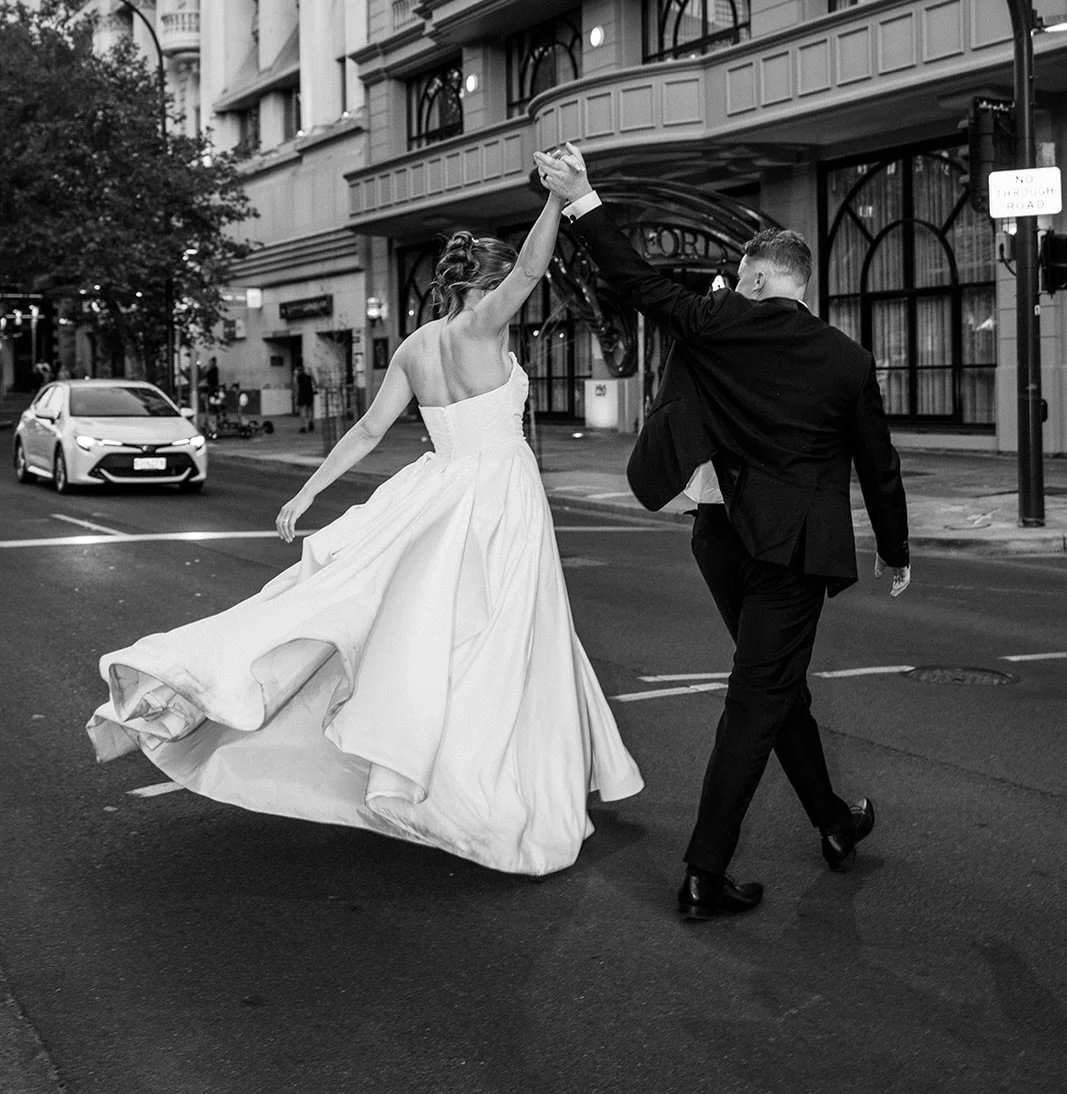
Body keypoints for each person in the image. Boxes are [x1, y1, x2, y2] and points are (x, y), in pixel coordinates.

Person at [86, 194, 643, 877]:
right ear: (486, 286)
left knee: (430, 628)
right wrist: (560, 197)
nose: (514, 300)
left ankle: (426, 762)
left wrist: (310, 489)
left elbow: (369, 431)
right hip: (497, 497)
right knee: (501, 638)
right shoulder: (481, 325)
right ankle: (486, 790)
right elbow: (531, 268)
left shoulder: (413, 347)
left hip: (439, 488)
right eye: (505, 289)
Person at [534, 143, 910, 920]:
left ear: (767, 276)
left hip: (719, 537)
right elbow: (879, 465)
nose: (733, 285)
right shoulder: (846, 359)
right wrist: (894, 547)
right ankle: (705, 871)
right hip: (794, 548)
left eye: (744, 276)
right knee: (759, 694)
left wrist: (582, 198)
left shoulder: (717, 322)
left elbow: (632, 280)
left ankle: (834, 822)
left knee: (774, 689)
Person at [294, 363, 315, 432]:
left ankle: (303, 426)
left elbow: (296, 386)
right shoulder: (309, 376)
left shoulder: (298, 377)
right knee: (310, 409)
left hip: (301, 394)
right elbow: (315, 383)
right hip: (309, 394)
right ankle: (310, 421)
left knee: (302, 410)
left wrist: (295, 395)